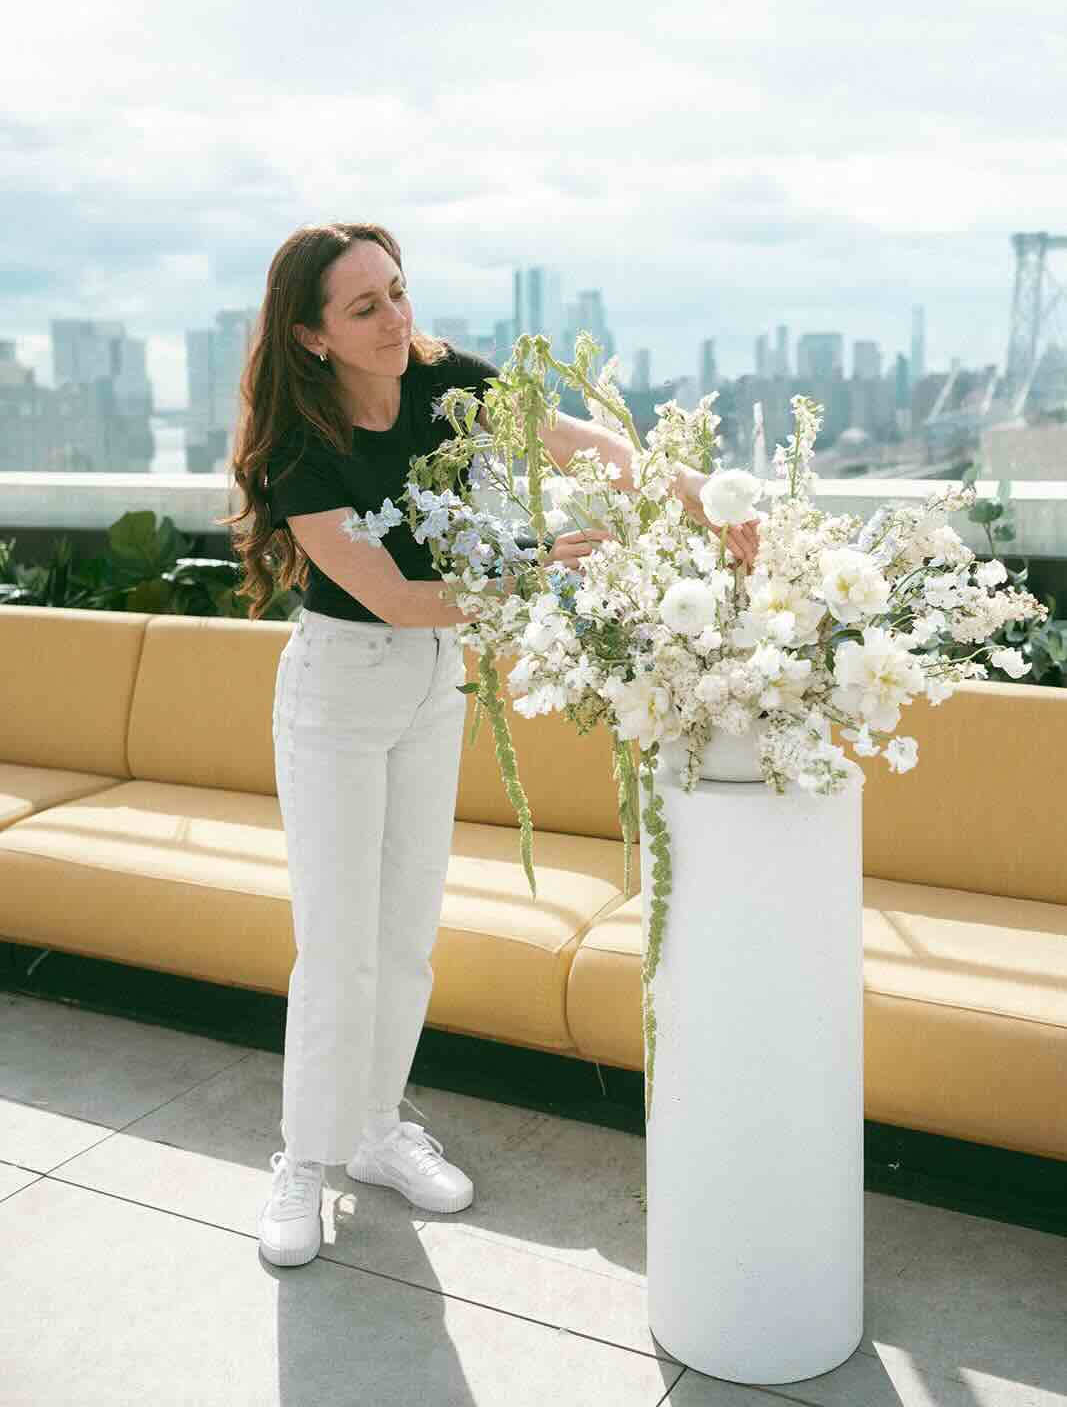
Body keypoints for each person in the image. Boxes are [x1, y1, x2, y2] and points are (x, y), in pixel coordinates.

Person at [227, 221, 760, 1268]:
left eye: (398, 292)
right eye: (364, 307)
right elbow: (390, 593)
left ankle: (376, 1130)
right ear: (310, 335)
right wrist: (538, 566)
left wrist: (691, 494)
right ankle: (303, 1158)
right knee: (337, 945)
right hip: (340, 682)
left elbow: (579, 443)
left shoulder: (440, 384)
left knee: (406, 932)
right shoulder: (299, 447)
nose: (396, 320)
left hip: (434, 681)